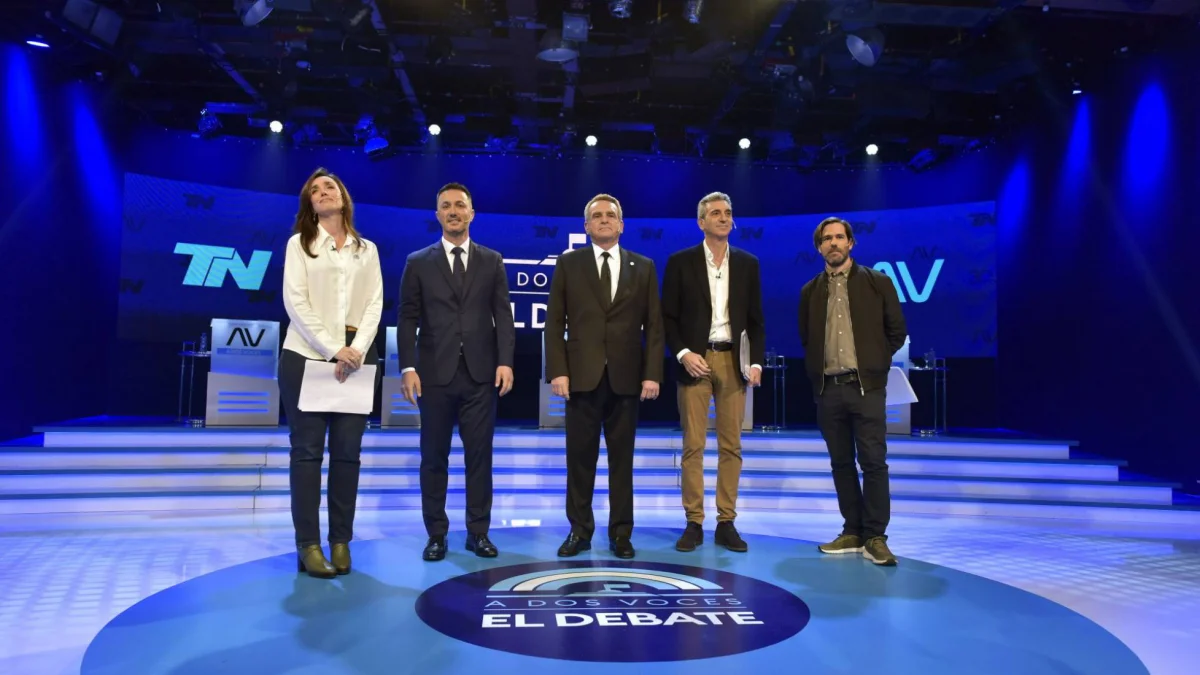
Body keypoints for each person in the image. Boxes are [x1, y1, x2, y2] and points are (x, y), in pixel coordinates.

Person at [398, 182, 515, 562]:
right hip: (433, 375)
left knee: (479, 458)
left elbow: (503, 315)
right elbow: (407, 317)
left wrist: (505, 361)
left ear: (471, 213)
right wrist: (407, 366)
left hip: (481, 375)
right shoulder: (418, 261)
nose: (453, 211)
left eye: (460, 205)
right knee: (434, 458)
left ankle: (478, 532)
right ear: (437, 215)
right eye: (446, 206)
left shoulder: (492, 260)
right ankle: (436, 534)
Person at [545, 193, 665, 560]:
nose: (604, 220)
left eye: (610, 215)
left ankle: (621, 533)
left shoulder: (643, 266)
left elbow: (654, 327)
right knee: (579, 460)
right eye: (596, 216)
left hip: (627, 380)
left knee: (621, 462)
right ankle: (579, 531)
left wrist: (652, 374)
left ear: (621, 225)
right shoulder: (569, 264)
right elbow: (554, 322)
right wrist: (558, 371)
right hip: (581, 378)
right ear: (586, 226)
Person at [279, 167, 383, 578]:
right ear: (309, 203)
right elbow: (295, 301)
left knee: (347, 455)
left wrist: (355, 351)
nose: (323, 192)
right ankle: (308, 545)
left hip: (356, 360)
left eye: (330, 186)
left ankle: (341, 541)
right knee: (307, 454)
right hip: (305, 356)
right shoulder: (299, 245)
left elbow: (374, 304)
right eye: (315, 190)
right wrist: (332, 349)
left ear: (343, 196)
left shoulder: (367, 249)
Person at [798, 217, 907, 566]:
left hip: (867, 389)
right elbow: (807, 338)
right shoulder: (810, 291)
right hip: (828, 390)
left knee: (873, 462)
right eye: (826, 239)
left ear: (851, 243)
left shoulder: (877, 282)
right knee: (841, 463)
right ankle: (853, 530)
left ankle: (875, 536)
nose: (833, 243)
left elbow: (896, 332)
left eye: (839, 237)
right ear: (819, 247)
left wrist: (875, 363)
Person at [662, 191, 765, 553]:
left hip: (733, 360)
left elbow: (756, 319)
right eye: (716, 213)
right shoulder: (680, 262)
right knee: (693, 444)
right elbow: (667, 318)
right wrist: (683, 353)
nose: (724, 218)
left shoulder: (748, 263)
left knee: (731, 445)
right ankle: (694, 522)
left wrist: (755, 362)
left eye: (728, 213)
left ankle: (726, 522)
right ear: (701, 222)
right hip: (696, 359)